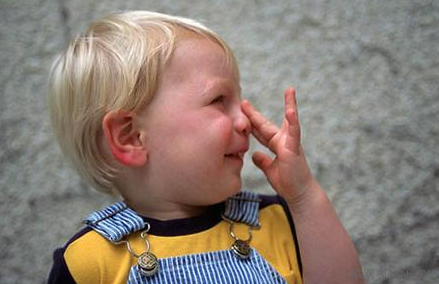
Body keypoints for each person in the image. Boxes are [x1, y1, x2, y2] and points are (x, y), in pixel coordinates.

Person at [47, 10, 364, 284]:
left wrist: (304, 196)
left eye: (238, 99)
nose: (245, 121)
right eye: (218, 100)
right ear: (131, 136)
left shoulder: (279, 220)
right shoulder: (88, 263)